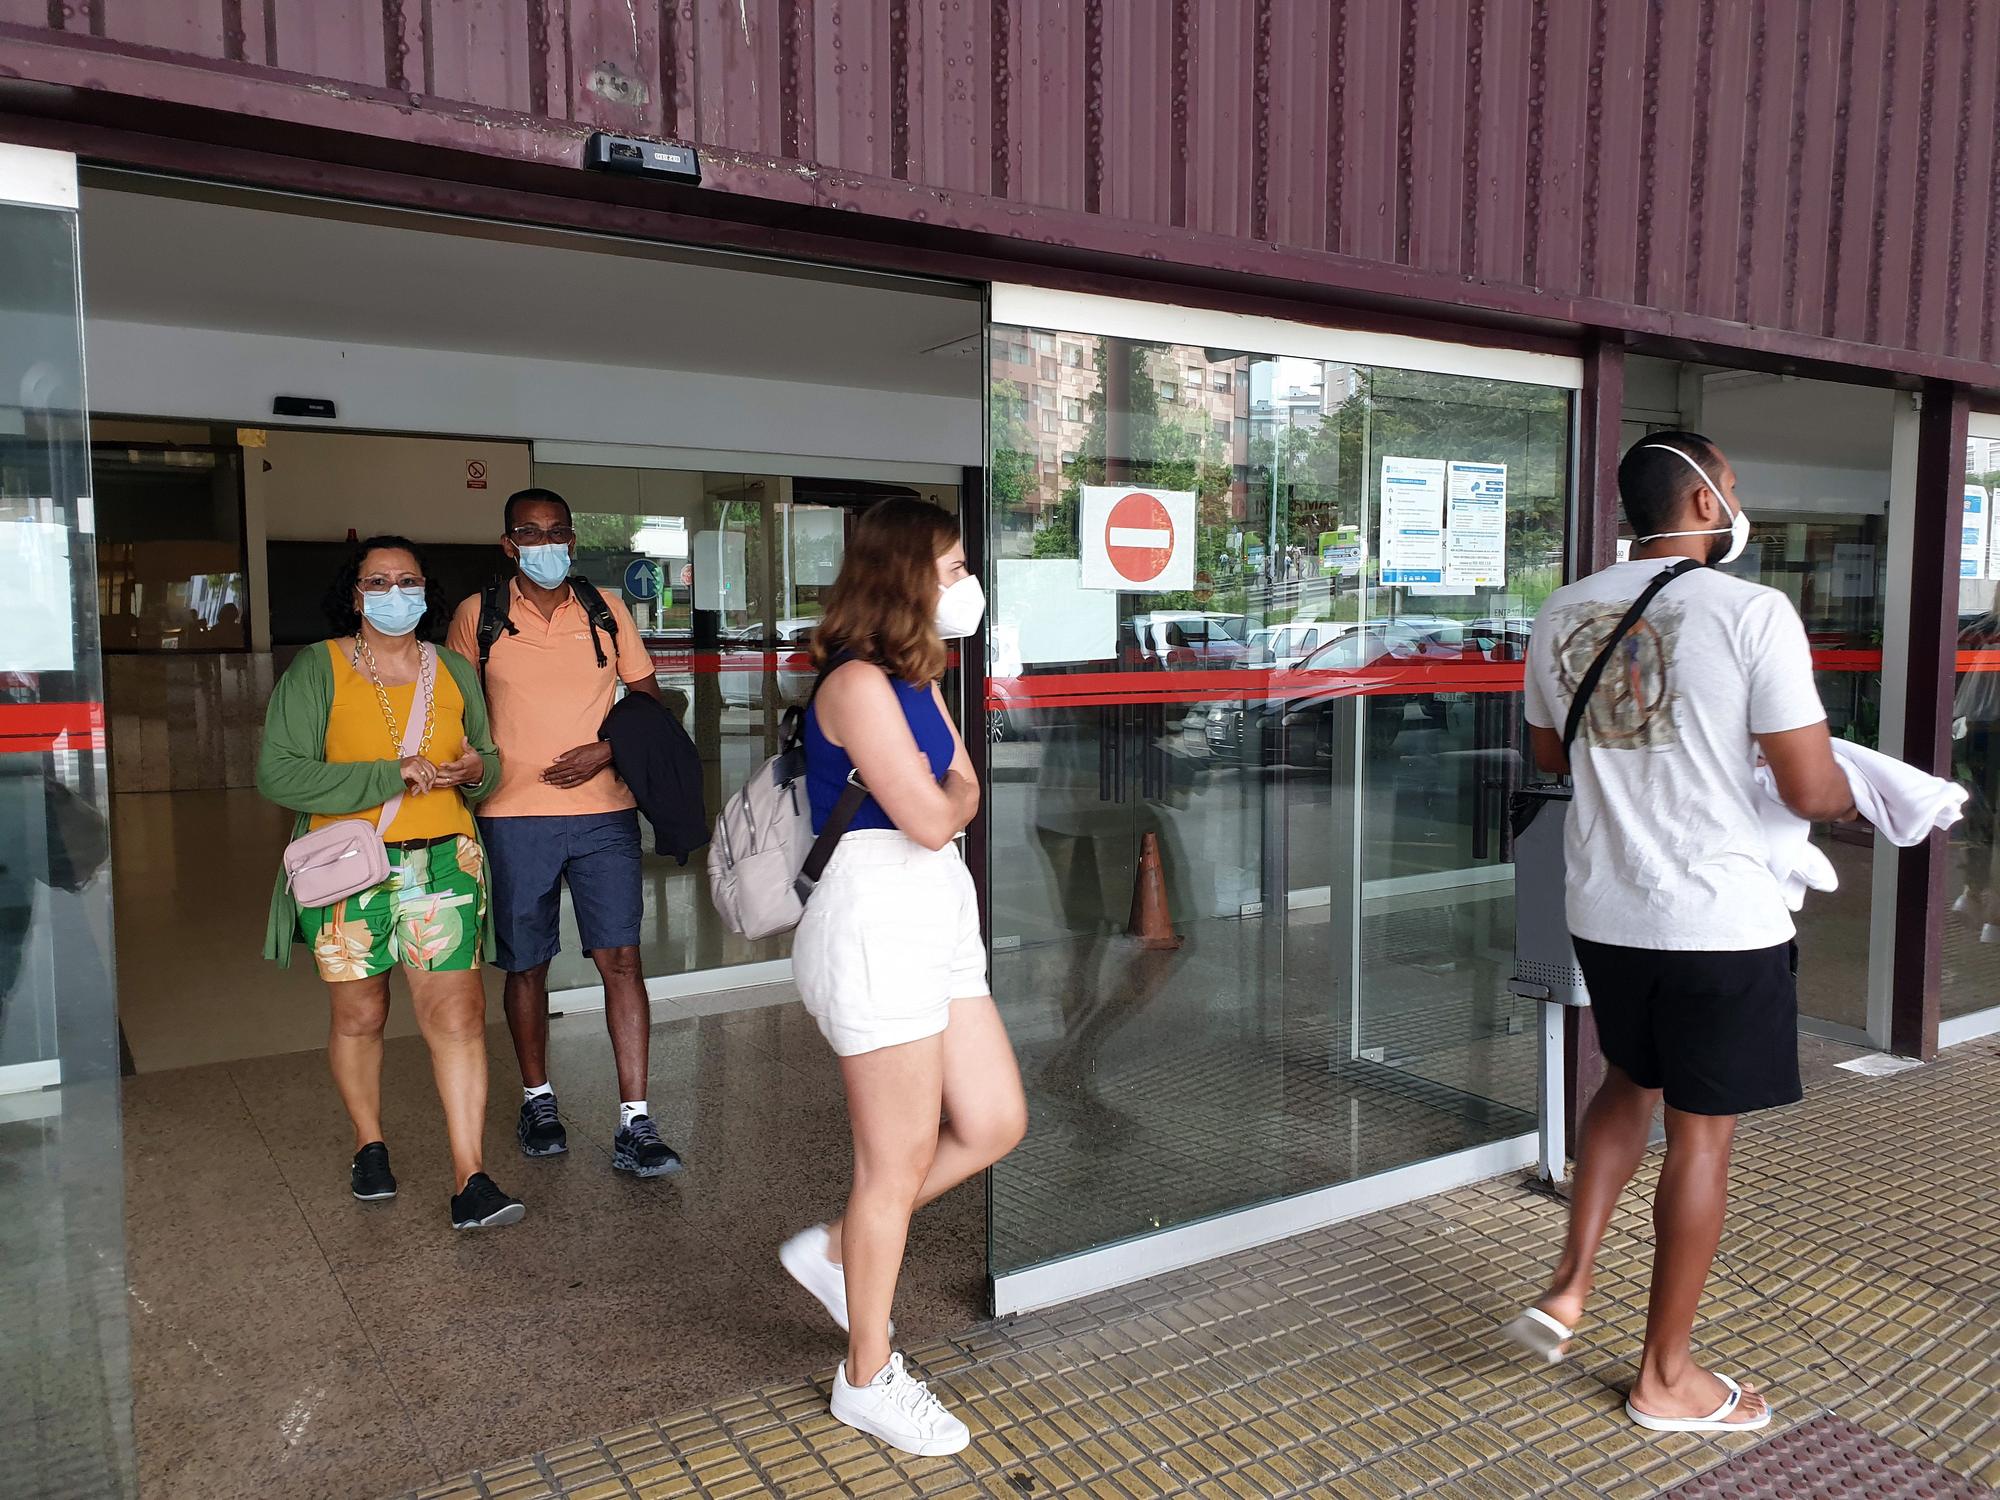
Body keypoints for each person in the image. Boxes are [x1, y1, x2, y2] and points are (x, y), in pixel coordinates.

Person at [1506, 433, 1857, 1432]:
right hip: (1715, 917)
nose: (1735, 505)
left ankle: (1570, 1281)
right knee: (1699, 1138)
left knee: (1628, 1078)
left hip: (1605, 908)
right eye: (1732, 489)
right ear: (1701, 499)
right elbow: (1806, 782)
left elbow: (1548, 747)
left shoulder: (1562, 608)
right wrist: (1852, 794)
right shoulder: (1750, 612)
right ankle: (1665, 1378)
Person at [777, 499, 1027, 1457]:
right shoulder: (854, 686)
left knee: (996, 1118)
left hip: (935, 916)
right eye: (954, 566)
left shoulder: (920, 676)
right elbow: (936, 813)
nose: (966, 584)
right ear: (903, 575)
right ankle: (867, 1375)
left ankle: (839, 1247)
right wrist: (951, 800)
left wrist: (951, 799)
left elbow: (962, 787)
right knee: (894, 1165)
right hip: (876, 922)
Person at [258, 535, 524, 1230]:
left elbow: (487, 759)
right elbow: (278, 773)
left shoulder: (455, 669)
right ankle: (367, 1142)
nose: (395, 592)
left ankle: (472, 1176)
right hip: (348, 865)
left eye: (408, 580)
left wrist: (475, 772)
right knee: (361, 1013)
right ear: (355, 593)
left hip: (445, 861)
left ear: (425, 592)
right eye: (379, 581)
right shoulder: (318, 669)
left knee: (459, 1018)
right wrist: (387, 775)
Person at [445, 489, 682, 1178]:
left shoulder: (606, 609)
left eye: (557, 532)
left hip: (605, 813)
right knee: (527, 963)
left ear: (573, 539)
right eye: (530, 532)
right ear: (508, 543)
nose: (546, 544)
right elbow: (455, 708)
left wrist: (607, 752)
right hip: (510, 817)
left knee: (622, 961)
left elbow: (647, 701)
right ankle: (537, 1099)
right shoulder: (478, 615)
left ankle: (636, 1120)